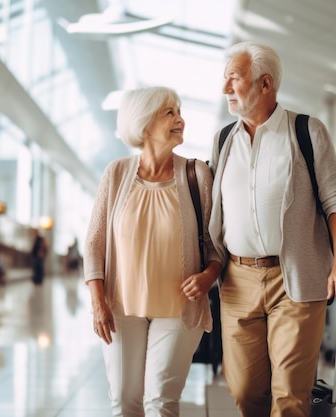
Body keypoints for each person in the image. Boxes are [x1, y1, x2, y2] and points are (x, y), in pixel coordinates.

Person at [208, 41, 336, 417]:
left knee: (290, 394)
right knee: (245, 391)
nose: (226, 88)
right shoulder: (224, 140)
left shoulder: (306, 131)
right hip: (237, 280)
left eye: (234, 79)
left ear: (264, 84)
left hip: (295, 278)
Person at [83, 86, 222, 417]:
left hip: (179, 308)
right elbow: (94, 242)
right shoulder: (116, 174)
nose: (180, 119)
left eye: (179, 110)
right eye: (169, 113)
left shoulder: (196, 174)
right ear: (144, 124)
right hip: (120, 307)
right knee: (125, 400)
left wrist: (207, 277)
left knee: (160, 400)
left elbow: (215, 245)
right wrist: (98, 301)